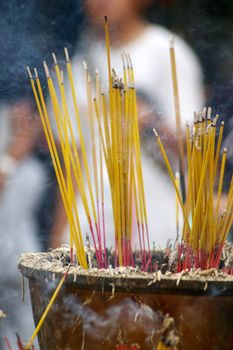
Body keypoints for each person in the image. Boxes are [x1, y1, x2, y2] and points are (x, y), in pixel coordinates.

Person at [50, 0, 204, 249]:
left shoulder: (167, 50)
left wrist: (149, 121)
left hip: (154, 226)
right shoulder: (80, 64)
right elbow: (71, 162)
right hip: (90, 224)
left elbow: (196, 149)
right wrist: (57, 241)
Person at [0, 99, 46, 348]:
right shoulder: (12, 148)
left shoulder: (38, 151)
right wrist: (10, 157)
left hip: (23, 255)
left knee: (28, 334)